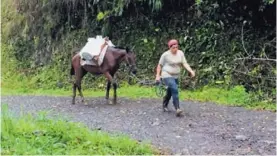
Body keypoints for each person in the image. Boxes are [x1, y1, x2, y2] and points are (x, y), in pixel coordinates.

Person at [155, 39, 195, 116]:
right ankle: (177, 108)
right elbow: (159, 66)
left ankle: (164, 104)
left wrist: (191, 71)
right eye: (173, 48)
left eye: (176, 47)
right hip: (166, 74)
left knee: (170, 91)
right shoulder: (165, 55)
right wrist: (157, 76)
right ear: (170, 48)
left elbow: (184, 63)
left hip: (176, 75)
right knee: (174, 88)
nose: (175, 49)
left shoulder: (180, 53)